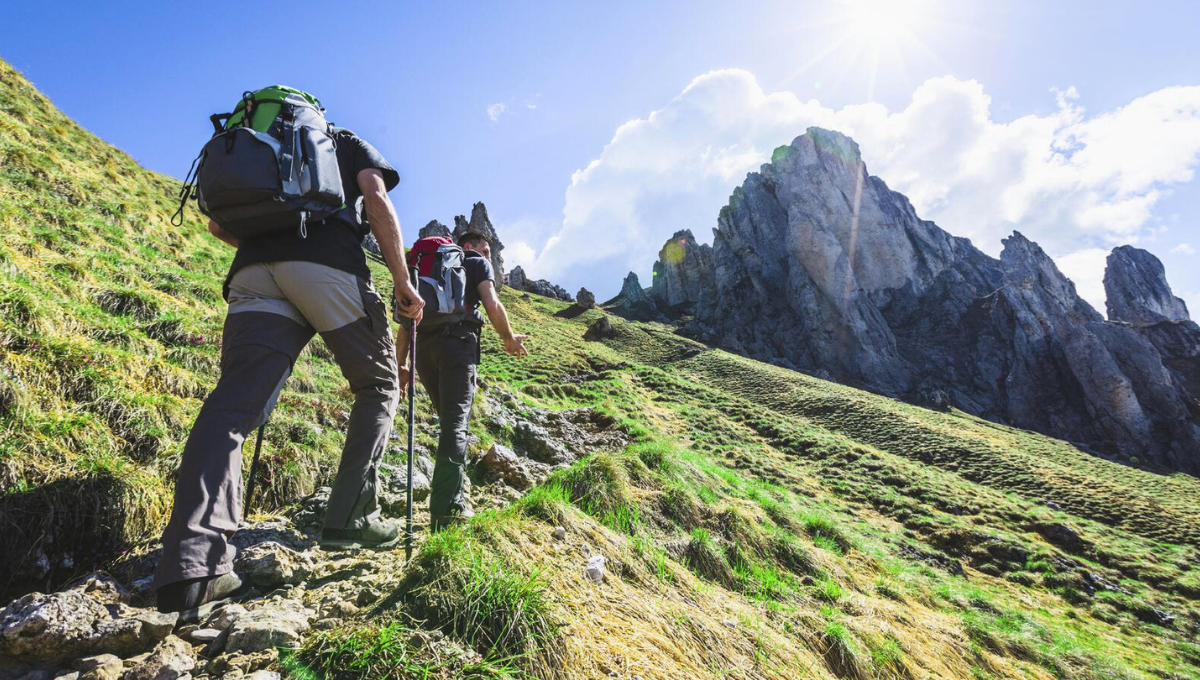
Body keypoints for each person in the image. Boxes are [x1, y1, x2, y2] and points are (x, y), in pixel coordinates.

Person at [153, 125, 424, 613]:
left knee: (232, 406)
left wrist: (272, 245)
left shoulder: (255, 145)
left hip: (253, 271)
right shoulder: (341, 139)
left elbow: (217, 226)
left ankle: (193, 568)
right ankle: (350, 519)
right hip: (329, 265)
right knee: (380, 384)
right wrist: (401, 278)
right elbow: (375, 194)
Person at [396, 232, 528, 531]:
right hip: (458, 344)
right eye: (485, 249)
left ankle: (453, 491)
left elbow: (406, 322)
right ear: (467, 247)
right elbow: (491, 303)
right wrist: (508, 338)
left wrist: (401, 365)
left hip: (424, 349)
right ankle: (447, 511)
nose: (488, 255)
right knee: (456, 425)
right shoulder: (474, 263)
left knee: (448, 422)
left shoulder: (422, 268)